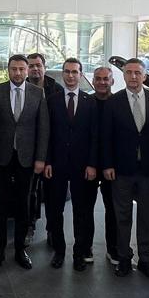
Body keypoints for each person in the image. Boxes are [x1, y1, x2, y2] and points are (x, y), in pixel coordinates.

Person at [0, 54, 49, 269]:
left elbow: (43, 129)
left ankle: (20, 250)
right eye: (13, 69)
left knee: (23, 205)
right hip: (1, 157)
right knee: (0, 205)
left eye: (21, 69)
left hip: (27, 159)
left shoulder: (37, 93)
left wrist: (40, 158)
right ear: (8, 70)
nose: (17, 73)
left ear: (27, 71)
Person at [100, 58, 149, 279]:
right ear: (124, 76)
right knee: (122, 215)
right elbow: (106, 136)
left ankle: (145, 259)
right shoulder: (113, 101)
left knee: (147, 215)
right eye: (129, 72)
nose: (133, 76)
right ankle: (124, 258)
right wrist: (107, 164)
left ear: (145, 76)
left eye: (138, 72)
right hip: (121, 169)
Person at [43, 58, 102, 270]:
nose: (70, 76)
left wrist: (92, 164)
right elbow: (46, 134)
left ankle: (79, 253)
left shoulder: (90, 102)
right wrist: (47, 161)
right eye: (67, 72)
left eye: (74, 72)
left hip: (82, 166)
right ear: (62, 74)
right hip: (56, 165)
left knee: (81, 211)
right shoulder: (52, 100)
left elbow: (95, 136)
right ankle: (59, 251)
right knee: (55, 210)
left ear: (81, 74)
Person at [25, 52, 63, 242]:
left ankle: (52, 230)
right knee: (29, 192)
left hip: (53, 150)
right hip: (29, 150)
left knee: (52, 193)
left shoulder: (56, 89)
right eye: (31, 65)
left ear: (44, 67)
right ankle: (29, 227)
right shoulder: (21, 87)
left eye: (38, 65)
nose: (35, 69)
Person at [90, 64, 120, 265]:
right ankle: (85, 247)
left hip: (113, 167)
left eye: (105, 79)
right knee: (85, 209)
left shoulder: (119, 103)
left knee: (114, 210)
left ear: (112, 81)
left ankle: (114, 249)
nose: (102, 82)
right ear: (93, 81)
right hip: (89, 165)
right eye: (98, 79)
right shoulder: (86, 102)